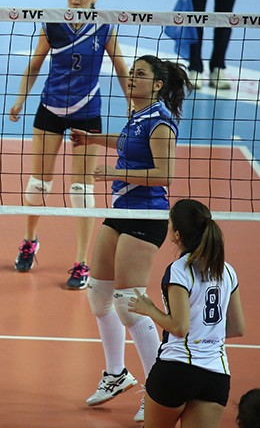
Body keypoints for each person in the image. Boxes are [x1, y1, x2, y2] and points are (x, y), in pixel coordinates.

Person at [70, 55, 191, 423]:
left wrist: (114, 172)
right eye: (132, 73)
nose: (132, 78)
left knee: (128, 302)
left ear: (158, 84)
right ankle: (116, 374)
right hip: (121, 212)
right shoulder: (137, 115)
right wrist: (92, 139)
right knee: (99, 294)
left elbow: (165, 174)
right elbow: (127, 142)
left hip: (146, 215)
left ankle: (157, 390)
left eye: (140, 75)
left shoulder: (160, 121)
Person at [7, 0, 128, 289]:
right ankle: (29, 241)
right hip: (50, 109)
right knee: (38, 185)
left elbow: (121, 68)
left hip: (86, 114)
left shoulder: (104, 26)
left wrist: (133, 105)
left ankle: (81, 263)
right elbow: (35, 65)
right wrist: (20, 99)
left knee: (81, 191)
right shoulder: (52, 22)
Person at [127, 198, 245, 428]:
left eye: (170, 222)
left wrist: (149, 309)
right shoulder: (227, 271)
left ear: (177, 234)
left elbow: (180, 328)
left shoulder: (180, 270)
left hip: (176, 370)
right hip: (216, 376)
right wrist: (205, 334)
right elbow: (237, 328)